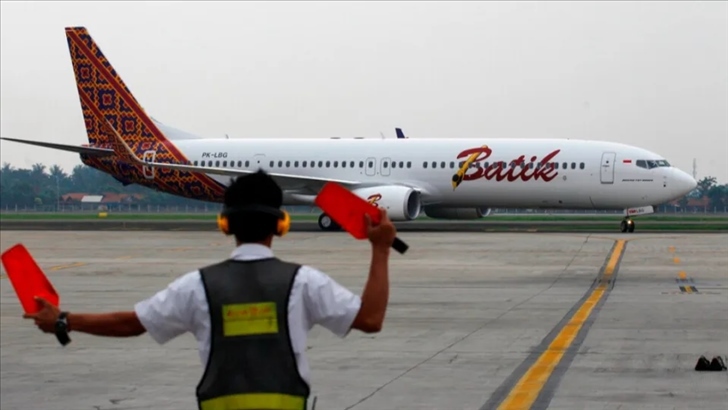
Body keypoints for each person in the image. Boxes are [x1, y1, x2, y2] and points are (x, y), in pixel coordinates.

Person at [23, 169, 396, 410]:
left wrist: (63, 320)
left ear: (224, 224)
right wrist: (380, 249)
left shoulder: (197, 287)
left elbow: (131, 324)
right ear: (281, 225)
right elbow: (371, 319)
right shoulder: (304, 283)